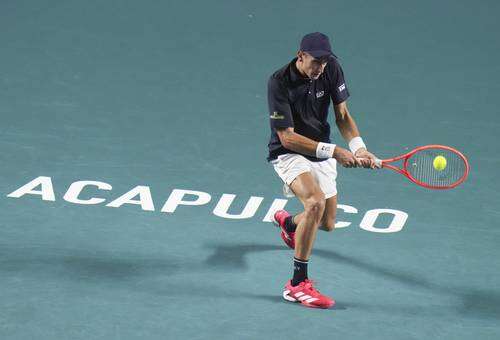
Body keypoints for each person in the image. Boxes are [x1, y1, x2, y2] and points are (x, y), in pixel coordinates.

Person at [267, 32, 380, 309]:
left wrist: (358, 147)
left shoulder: (331, 70)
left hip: (321, 148)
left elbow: (342, 115)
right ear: (300, 55)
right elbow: (287, 138)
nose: (321, 68)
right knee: (314, 202)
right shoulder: (278, 82)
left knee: (327, 223)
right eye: (316, 62)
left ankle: (290, 223)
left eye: (325, 63)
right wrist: (336, 152)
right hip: (289, 152)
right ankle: (297, 284)